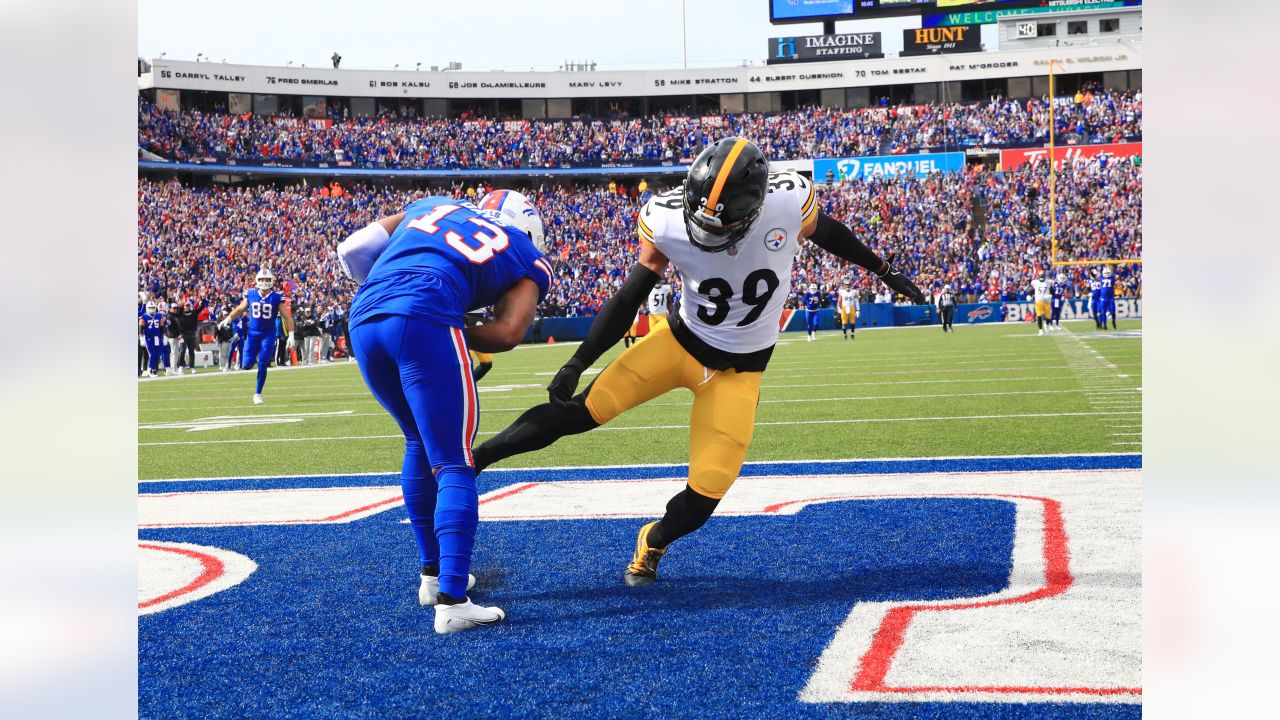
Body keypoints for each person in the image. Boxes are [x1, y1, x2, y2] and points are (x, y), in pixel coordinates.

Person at [469, 137, 923, 587]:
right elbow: (632, 294)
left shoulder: (788, 202)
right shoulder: (665, 217)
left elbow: (829, 232)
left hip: (739, 373)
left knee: (706, 494)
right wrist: (578, 360)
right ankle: (474, 459)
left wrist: (884, 270)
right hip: (680, 345)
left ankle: (653, 540)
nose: (707, 231)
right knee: (580, 411)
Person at [337, 188, 553, 634]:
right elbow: (510, 331)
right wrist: (455, 328)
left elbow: (352, 250)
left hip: (363, 315)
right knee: (454, 459)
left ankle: (432, 577)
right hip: (424, 313)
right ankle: (453, 600)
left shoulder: (431, 205)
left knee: (417, 439)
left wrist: (393, 294)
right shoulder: (527, 251)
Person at [218, 268, 296, 404]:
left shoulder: (276, 297)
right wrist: (228, 319)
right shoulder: (251, 294)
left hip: (268, 334)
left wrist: (291, 335)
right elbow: (240, 309)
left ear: (271, 281)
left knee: (263, 362)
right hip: (252, 334)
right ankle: (253, 359)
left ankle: (258, 393)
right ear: (257, 281)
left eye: (267, 279)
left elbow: (288, 317)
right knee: (247, 365)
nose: (265, 282)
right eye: (262, 279)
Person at [139, 301, 167, 377]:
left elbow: (162, 326)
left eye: (153, 308)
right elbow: (141, 327)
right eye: (150, 308)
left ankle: (152, 369)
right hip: (149, 338)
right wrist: (141, 337)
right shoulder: (144, 316)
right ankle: (152, 370)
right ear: (147, 308)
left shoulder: (159, 315)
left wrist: (164, 336)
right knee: (152, 354)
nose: (151, 310)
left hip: (158, 338)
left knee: (158, 355)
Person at [173, 299, 201, 373]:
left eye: (188, 306)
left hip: (191, 334)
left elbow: (200, 308)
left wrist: (203, 299)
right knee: (182, 350)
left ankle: (192, 367)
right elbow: (177, 313)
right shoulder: (180, 313)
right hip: (183, 334)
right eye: (185, 306)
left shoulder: (193, 313)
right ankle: (181, 366)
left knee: (191, 351)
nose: (187, 307)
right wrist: (181, 305)